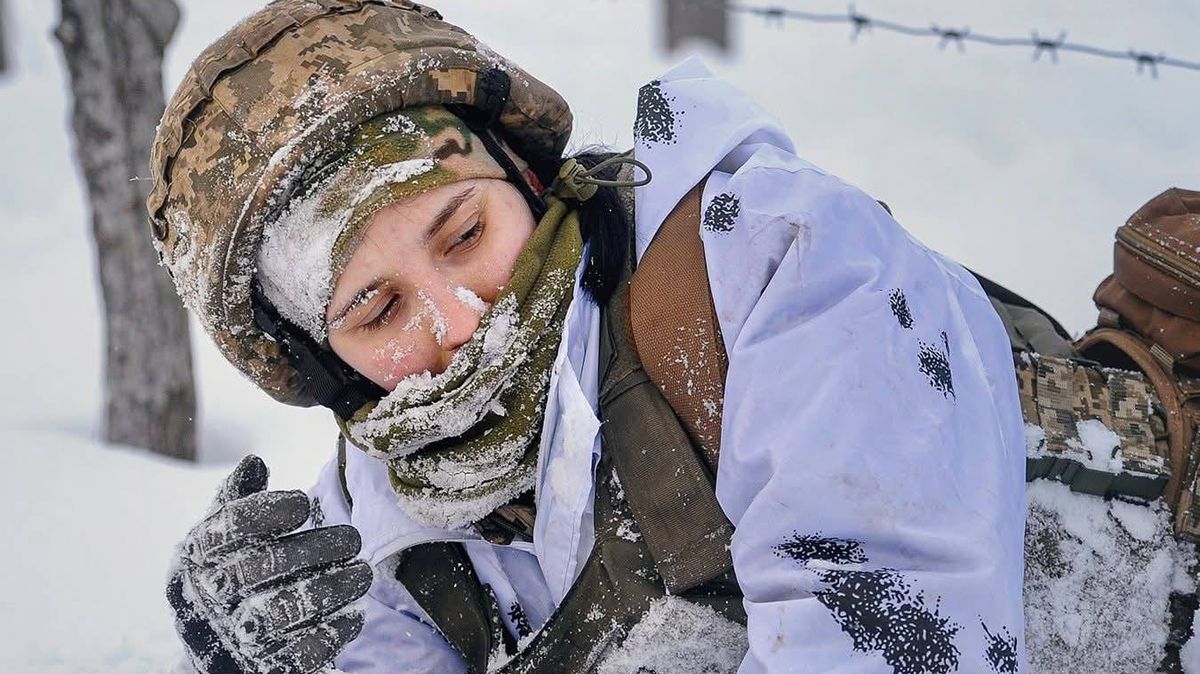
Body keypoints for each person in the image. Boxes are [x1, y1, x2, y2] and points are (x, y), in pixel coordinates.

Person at [152, 2, 1026, 673]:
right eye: (378, 312)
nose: (461, 322)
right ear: (319, 363)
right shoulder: (372, 533)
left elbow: (894, 635)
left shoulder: (776, 266)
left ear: (527, 176)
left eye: (466, 234)